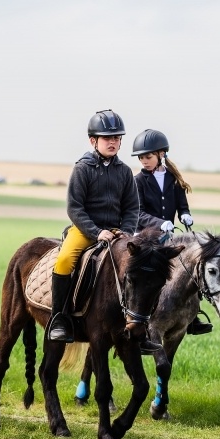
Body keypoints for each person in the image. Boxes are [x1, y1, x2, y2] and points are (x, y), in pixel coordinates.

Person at [46, 109, 161, 353]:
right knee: (65, 261)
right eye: (107, 138)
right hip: (84, 230)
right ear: (93, 141)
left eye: (117, 138)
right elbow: (74, 208)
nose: (113, 142)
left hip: (118, 233)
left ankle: (140, 328)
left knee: (143, 267)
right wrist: (96, 232)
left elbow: (132, 207)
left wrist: (126, 232)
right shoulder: (83, 169)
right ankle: (60, 319)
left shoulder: (124, 173)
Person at [131, 129, 212, 336]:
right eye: (141, 157)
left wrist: (185, 215)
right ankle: (135, 312)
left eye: (147, 156)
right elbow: (138, 213)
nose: (144, 161)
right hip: (145, 239)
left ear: (161, 154)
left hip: (169, 238)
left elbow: (182, 206)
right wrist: (160, 223)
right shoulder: (138, 180)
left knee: (192, 266)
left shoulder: (174, 179)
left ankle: (193, 316)